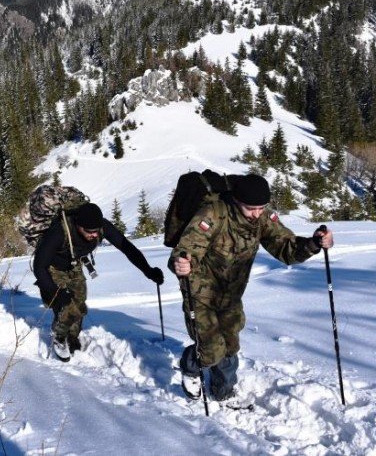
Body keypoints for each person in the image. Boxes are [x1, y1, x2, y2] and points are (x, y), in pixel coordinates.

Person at [168, 173, 334, 407]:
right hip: (200, 288)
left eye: (261, 207)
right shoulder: (213, 214)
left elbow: (285, 248)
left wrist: (314, 244)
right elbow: (186, 249)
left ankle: (223, 391)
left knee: (230, 344)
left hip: (232, 291)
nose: (257, 213)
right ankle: (190, 365)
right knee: (211, 349)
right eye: (250, 208)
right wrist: (182, 262)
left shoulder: (263, 217)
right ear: (236, 201)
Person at [33, 202, 166, 361]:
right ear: (78, 225)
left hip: (74, 265)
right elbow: (39, 266)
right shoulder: (59, 232)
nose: (95, 235)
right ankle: (59, 337)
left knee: (80, 303)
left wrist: (148, 270)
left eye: (97, 231)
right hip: (53, 267)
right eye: (90, 232)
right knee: (66, 304)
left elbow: (127, 247)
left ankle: (72, 336)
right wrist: (55, 292)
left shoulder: (101, 226)